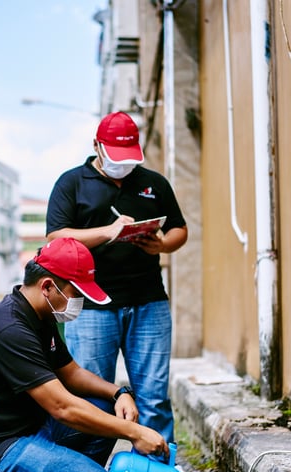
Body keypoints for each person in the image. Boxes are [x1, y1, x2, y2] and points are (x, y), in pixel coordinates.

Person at [0, 237, 168, 472]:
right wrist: (135, 432)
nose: (79, 302)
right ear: (47, 287)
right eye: (76, 294)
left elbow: (72, 372)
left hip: (31, 431)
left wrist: (119, 393)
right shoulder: (9, 328)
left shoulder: (41, 314)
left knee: (109, 410)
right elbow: (62, 407)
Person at [46, 111, 188, 444]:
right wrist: (109, 231)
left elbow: (179, 229)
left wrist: (162, 245)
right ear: (96, 146)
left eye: (128, 159)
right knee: (93, 399)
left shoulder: (153, 183)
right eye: (114, 157)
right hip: (93, 305)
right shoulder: (72, 183)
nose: (122, 166)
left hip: (149, 302)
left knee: (154, 399)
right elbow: (56, 238)